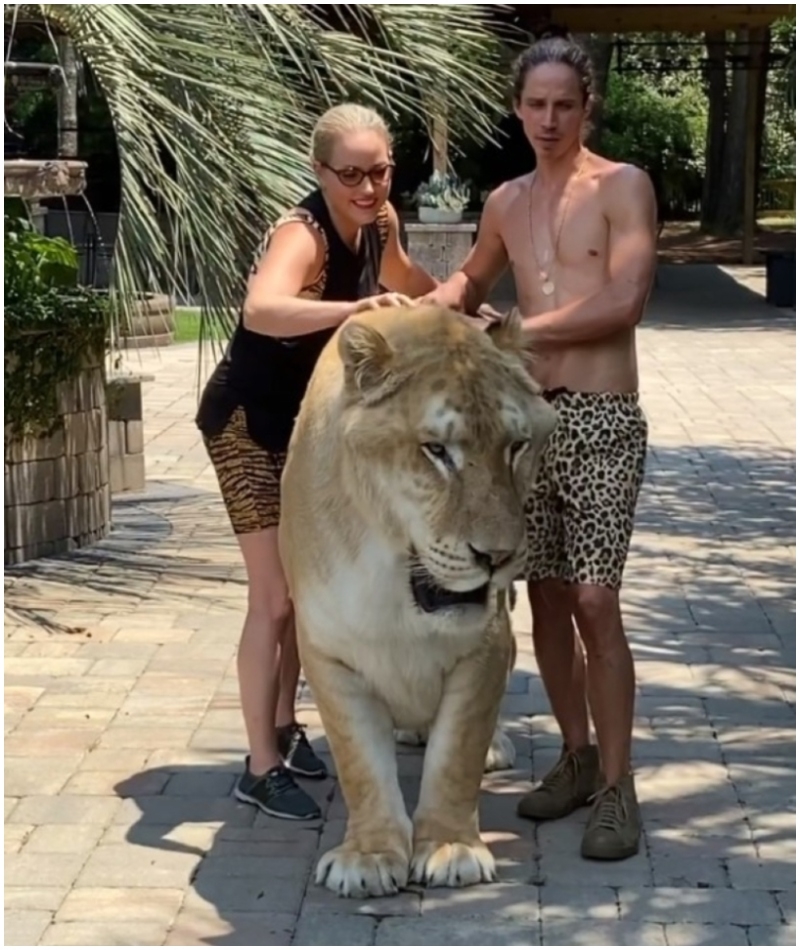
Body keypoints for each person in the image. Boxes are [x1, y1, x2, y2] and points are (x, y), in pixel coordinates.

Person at [418, 34, 657, 860]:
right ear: (517, 110)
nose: (549, 119)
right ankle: (578, 758)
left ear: (587, 106)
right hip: (526, 430)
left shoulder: (623, 186)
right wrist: (419, 300)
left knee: (594, 600)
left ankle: (620, 790)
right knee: (548, 599)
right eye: (536, 105)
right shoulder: (504, 201)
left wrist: (517, 333)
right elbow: (467, 284)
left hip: (601, 418)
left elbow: (624, 299)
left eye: (565, 104)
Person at [196, 103, 439, 821]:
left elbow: (403, 275)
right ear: (319, 171)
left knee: (304, 596)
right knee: (272, 601)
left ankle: (283, 726)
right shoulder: (300, 234)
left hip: (305, 430)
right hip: (245, 426)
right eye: (351, 174)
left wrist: (462, 307)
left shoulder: (380, 219)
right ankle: (258, 766)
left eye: (380, 170)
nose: (367, 187)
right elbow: (262, 310)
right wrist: (352, 313)